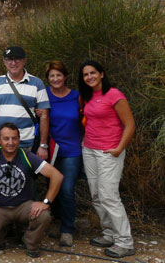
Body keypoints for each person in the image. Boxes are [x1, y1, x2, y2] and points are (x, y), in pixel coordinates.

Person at [0, 123, 63, 258]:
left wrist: (46, 201)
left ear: (19, 139)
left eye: (14, 138)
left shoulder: (27, 156)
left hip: (24, 206)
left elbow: (57, 176)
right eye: (6, 139)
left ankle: (30, 242)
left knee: (44, 214)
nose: (11, 142)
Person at [78, 60, 136, 258]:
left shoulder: (114, 95)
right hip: (90, 150)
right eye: (86, 75)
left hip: (109, 151)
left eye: (93, 73)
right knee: (96, 194)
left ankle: (125, 242)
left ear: (102, 74)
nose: (90, 77)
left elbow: (129, 125)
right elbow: (89, 120)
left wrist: (119, 148)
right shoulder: (87, 96)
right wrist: (86, 141)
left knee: (109, 196)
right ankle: (109, 233)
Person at [43, 61, 83, 246]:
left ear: (65, 76)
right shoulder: (44, 96)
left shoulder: (76, 96)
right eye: (52, 76)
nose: (55, 79)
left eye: (58, 75)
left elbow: (88, 118)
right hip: (51, 150)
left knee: (66, 189)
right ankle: (57, 222)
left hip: (72, 150)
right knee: (53, 188)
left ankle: (67, 230)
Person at [0, 46, 50, 159]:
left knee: (27, 176)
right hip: (2, 144)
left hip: (27, 145)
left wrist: (43, 145)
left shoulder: (37, 83)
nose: (13, 63)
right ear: (4, 62)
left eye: (17, 59)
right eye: (9, 59)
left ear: (24, 61)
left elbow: (44, 115)